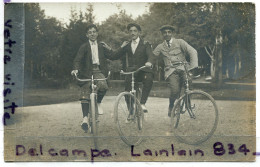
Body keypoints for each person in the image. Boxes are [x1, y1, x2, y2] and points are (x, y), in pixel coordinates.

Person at [103, 23, 154, 117]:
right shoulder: (127, 45)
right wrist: (108, 49)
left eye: (135, 31)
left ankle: (142, 103)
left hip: (143, 70)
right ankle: (130, 111)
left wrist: (149, 62)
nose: (132, 33)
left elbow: (150, 55)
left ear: (139, 32)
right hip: (131, 72)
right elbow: (114, 55)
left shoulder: (146, 44)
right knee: (127, 90)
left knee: (149, 80)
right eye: (130, 31)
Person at [71, 24, 113, 132]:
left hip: (98, 70)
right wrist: (76, 69)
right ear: (87, 35)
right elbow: (77, 60)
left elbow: (113, 55)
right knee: (85, 92)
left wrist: (110, 48)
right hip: (86, 72)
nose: (92, 34)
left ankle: (98, 102)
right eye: (90, 32)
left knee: (103, 85)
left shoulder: (101, 46)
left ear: (97, 33)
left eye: (94, 31)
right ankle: (85, 119)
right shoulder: (84, 46)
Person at [150, 25, 198, 117]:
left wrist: (192, 67)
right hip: (170, 71)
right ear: (162, 34)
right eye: (164, 32)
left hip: (183, 68)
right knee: (175, 90)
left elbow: (192, 51)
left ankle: (187, 103)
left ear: (172, 33)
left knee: (189, 82)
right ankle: (171, 106)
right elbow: (152, 57)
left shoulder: (180, 42)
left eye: (169, 32)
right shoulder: (160, 47)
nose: (167, 34)